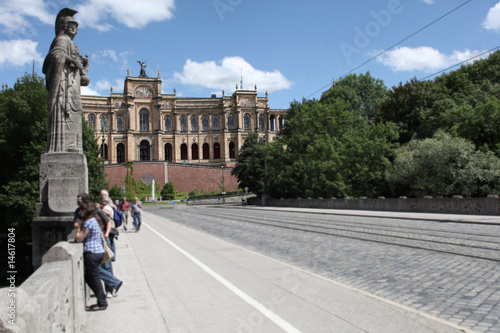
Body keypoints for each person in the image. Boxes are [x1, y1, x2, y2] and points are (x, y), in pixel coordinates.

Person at [42, 8, 89, 153]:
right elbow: (54, 56)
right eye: (72, 26)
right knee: (65, 112)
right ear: (64, 27)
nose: (75, 29)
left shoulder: (72, 44)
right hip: (64, 85)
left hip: (72, 84)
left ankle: (72, 145)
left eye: (76, 26)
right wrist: (71, 60)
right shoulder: (62, 40)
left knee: (75, 112)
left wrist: (83, 71)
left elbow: (76, 70)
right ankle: (64, 146)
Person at [74, 194, 107, 311]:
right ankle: (101, 300)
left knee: (94, 278)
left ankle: (102, 303)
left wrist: (78, 227)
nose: (80, 212)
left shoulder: (88, 222)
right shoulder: (94, 220)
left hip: (92, 253)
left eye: (81, 210)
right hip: (98, 252)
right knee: (90, 277)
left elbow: (79, 238)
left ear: (85, 211)